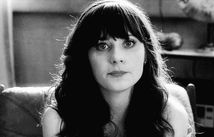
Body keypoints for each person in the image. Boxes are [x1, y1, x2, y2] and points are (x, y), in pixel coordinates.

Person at [41, 0, 196, 137]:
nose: (116, 57)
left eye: (129, 43)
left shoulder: (171, 117)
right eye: (102, 46)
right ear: (85, 58)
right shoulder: (58, 121)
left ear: (146, 55)